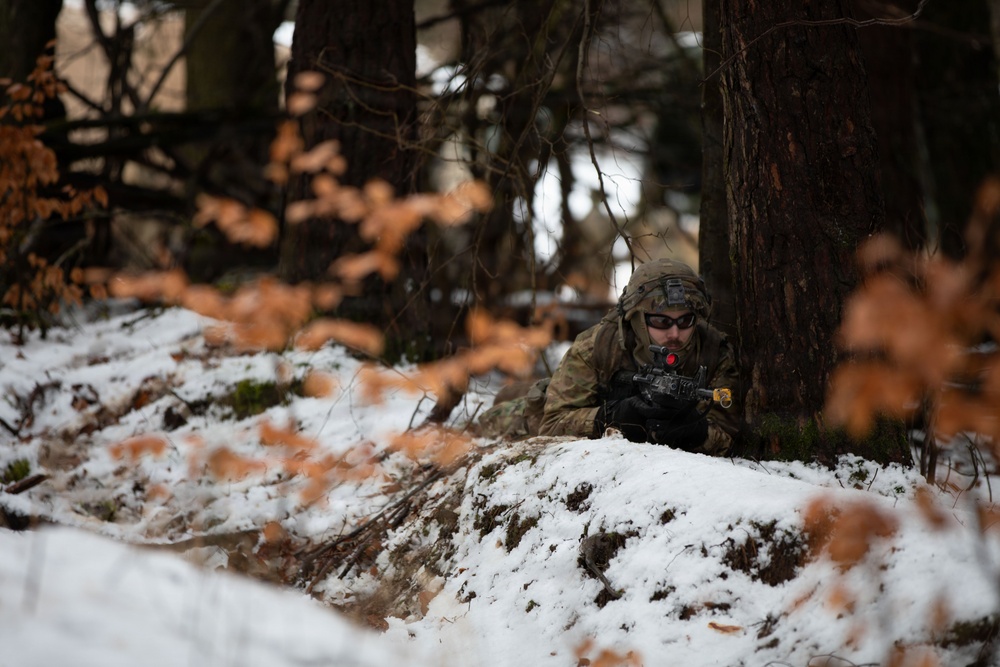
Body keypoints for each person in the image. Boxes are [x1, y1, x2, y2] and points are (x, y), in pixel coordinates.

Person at [476, 258, 740, 456]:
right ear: (636, 318)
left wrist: (696, 433)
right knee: (500, 417)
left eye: (685, 321)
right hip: (558, 408)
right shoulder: (599, 345)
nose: (674, 333)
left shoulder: (713, 351)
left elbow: (729, 434)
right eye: (660, 321)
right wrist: (611, 417)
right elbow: (552, 422)